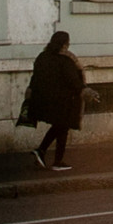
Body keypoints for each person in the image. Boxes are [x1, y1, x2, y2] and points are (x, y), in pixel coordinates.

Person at [27, 30, 85, 170]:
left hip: (45, 99)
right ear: (64, 44)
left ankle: (41, 151)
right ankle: (57, 161)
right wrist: (84, 89)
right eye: (68, 42)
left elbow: (35, 77)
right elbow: (73, 80)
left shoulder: (42, 56)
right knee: (62, 127)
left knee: (58, 127)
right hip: (63, 100)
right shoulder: (65, 60)